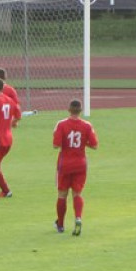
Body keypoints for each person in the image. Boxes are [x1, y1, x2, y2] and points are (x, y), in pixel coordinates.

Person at [53, 99, 98, 236]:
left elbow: (56, 145)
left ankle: (60, 224)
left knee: (62, 194)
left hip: (65, 163)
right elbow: (95, 145)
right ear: (80, 110)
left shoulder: (61, 125)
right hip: (80, 164)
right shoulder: (87, 125)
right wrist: (84, 144)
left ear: (69, 109)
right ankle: (78, 218)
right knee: (77, 194)